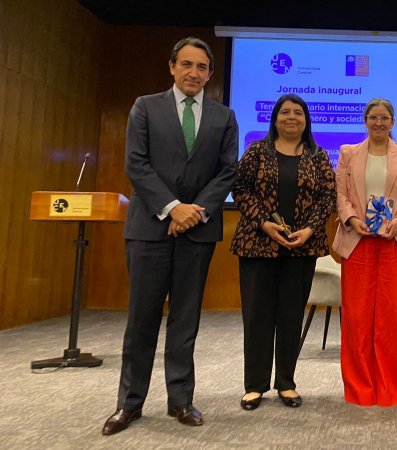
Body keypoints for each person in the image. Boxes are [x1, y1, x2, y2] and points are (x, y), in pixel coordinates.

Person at [102, 37, 238, 436]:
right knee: (142, 319)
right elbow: (136, 164)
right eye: (187, 65)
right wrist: (171, 208)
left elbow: (226, 171)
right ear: (172, 67)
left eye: (202, 67)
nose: (194, 73)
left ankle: (181, 400)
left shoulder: (224, 116)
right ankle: (129, 404)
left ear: (210, 74)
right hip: (150, 228)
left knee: (185, 319)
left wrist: (192, 213)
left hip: (197, 232)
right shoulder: (146, 106)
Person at [230, 94, 335, 410]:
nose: (292, 117)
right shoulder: (256, 152)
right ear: (274, 119)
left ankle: (286, 383)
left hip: (302, 248)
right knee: (258, 315)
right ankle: (255, 385)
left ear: (306, 120)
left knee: (291, 317)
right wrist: (264, 223)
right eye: (285, 112)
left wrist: (310, 229)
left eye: (298, 112)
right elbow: (241, 190)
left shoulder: (317, 157)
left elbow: (328, 197)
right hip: (257, 245)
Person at [332, 98, 397, 406]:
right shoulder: (348, 153)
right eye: (373, 117)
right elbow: (341, 195)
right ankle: (361, 387)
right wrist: (353, 219)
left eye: (384, 118)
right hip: (358, 242)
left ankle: (396, 385)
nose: (379, 123)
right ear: (365, 121)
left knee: (395, 317)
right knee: (357, 318)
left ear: (393, 122)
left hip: (395, 242)